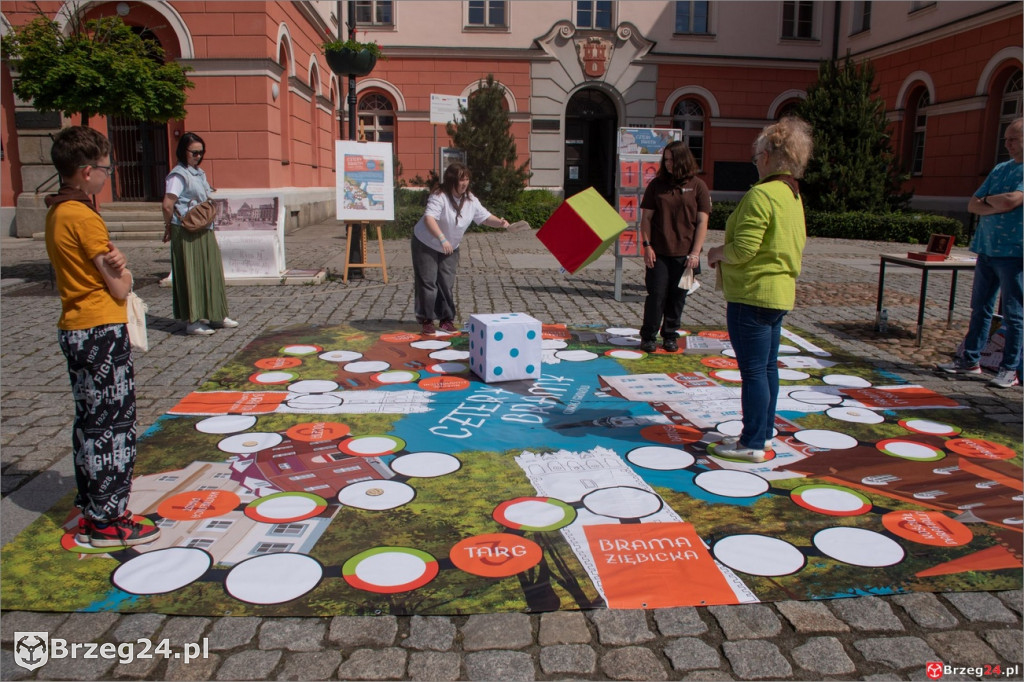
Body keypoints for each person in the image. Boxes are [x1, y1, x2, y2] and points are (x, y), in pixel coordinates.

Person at [44, 126, 161, 548]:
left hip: (75, 326)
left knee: (91, 421)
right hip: (100, 329)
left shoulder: (56, 212)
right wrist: (125, 270)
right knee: (114, 424)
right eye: (105, 168)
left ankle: (94, 504)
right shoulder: (84, 217)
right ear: (86, 171)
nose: (108, 175)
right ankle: (108, 519)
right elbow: (118, 286)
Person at [707, 117, 814, 463]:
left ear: (768, 156)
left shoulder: (761, 195)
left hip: (751, 295)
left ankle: (752, 441)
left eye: (756, 156)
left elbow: (743, 249)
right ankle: (764, 434)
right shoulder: (792, 195)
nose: (754, 162)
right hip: (779, 295)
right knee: (768, 368)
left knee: (754, 372)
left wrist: (715, 253)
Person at [939, 118, 1022, 388]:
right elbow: (973, 204)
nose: (1007, 144)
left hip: (1014, 252)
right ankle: (969, 359)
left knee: (1013, 312)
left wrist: (996, 201)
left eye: (1013, 139)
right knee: (980, 309)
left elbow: (1013, 199)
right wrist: (996, 202)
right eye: (1006, 139)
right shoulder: (999, 169)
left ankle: (1009, 369)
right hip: (986, 248)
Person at [411, 163, 509, 334]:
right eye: (460, 180)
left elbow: (484, 217)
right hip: (426, 243)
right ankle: (426, 319)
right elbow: (429, 219)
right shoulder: (439, 195)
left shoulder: (470, 199)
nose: (464, 183)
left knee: (446, 283)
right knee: (428, 282)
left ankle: (446, 319)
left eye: (467, 179)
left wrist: (500, 223)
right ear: (451, 181)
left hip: (450, 247)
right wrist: (442, 239)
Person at [638, 140, 711, 353]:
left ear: (682, 160)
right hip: (659, 252)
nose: (668, 164)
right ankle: (648, 335)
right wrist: (647, 246)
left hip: (685, 254)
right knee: (656, 295)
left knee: (677, 298)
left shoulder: (697, 186)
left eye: (672, 160)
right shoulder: (657, 185)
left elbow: (702, 222)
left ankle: (670, 335)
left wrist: (695, 252)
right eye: (666, 160)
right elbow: (646, 219)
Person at [162, 132, 237, 336]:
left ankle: (216, 314)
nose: (198, 156)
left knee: (211, 270)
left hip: (204, 226)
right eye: (194, 153)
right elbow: (168, 204)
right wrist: (169, 226)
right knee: (191, 272)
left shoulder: (199, 173)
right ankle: (192, 320)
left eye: (201, 153)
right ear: (183, 151)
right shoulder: (178, 175)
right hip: (186, 228)